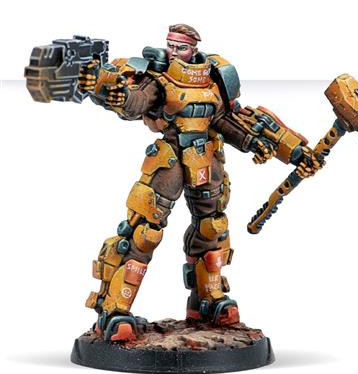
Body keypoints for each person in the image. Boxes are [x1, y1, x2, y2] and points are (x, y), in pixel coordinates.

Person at [79, 24, 324, 341]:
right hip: (169, 159)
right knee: (144, 232)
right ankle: (115, 309)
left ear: (193, 48)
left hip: (206, 159)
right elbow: (134, 103)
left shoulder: (213, 78)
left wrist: (283, 150)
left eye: (179, 47)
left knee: (212, 228)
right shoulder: (159, 77)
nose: (173, 52)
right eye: (170, 45)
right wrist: (110, 89)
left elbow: (227, 120)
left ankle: (208, 300)